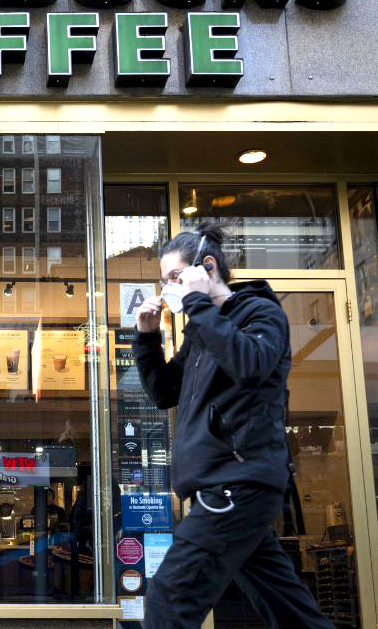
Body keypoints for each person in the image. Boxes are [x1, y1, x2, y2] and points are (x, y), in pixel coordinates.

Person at [132, 222, 332, 629]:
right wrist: (147, 339)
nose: (169, 288)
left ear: (207, 267)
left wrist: (197, 304)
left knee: (170, 596)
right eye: (165, 280)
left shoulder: (260, 312)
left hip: (236, 483)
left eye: (176, 276)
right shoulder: (202, 330)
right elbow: (165, 392)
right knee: (290, 611)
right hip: (226, 485)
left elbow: (251, 363)